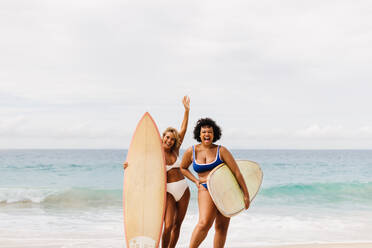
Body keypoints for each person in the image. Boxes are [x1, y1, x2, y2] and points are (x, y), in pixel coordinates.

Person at [124, 96, 191, 248]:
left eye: (172, 139)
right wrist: (128, 166)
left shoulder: (175, 151)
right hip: (167, 192)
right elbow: (140, 163)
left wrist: (186, 111)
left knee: (177, 225)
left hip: (184, 189)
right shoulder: (155, 153)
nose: (169, 141)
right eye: (167, 137)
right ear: (162, 137)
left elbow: (184, 130)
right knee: (167, 226)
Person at [180, 118, 250, 248]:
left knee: (221, 227)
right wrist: (195, 180)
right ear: (199, 134)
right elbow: (183, 168)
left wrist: (246, 194)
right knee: (204, 223)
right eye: (204, 132)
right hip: (205, 188)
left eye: (210, 132)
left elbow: (237, 172)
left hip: (225, 190)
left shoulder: (221, 151)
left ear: (214, 134)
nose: (207, 134)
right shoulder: (192, 151)